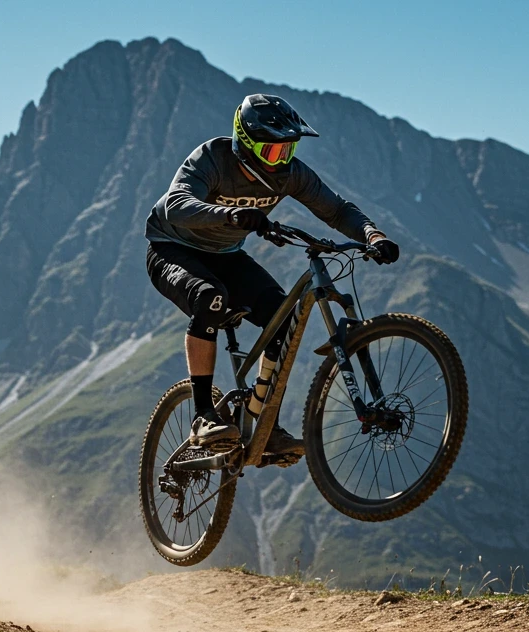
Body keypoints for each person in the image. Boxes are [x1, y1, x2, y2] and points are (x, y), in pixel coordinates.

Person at [145, 94, 399, 456]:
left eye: (288, 151)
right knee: (210, 298)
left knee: (284, 321)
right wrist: (228, 215)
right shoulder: (212, 159)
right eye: (273, 152)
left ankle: (264, 427)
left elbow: (337, 210)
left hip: (226, 255)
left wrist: (373, 235)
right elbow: (175, 205)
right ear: (245, 144)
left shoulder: (291, 175)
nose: (282, 161)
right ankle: (203, 416)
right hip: (172, 248)